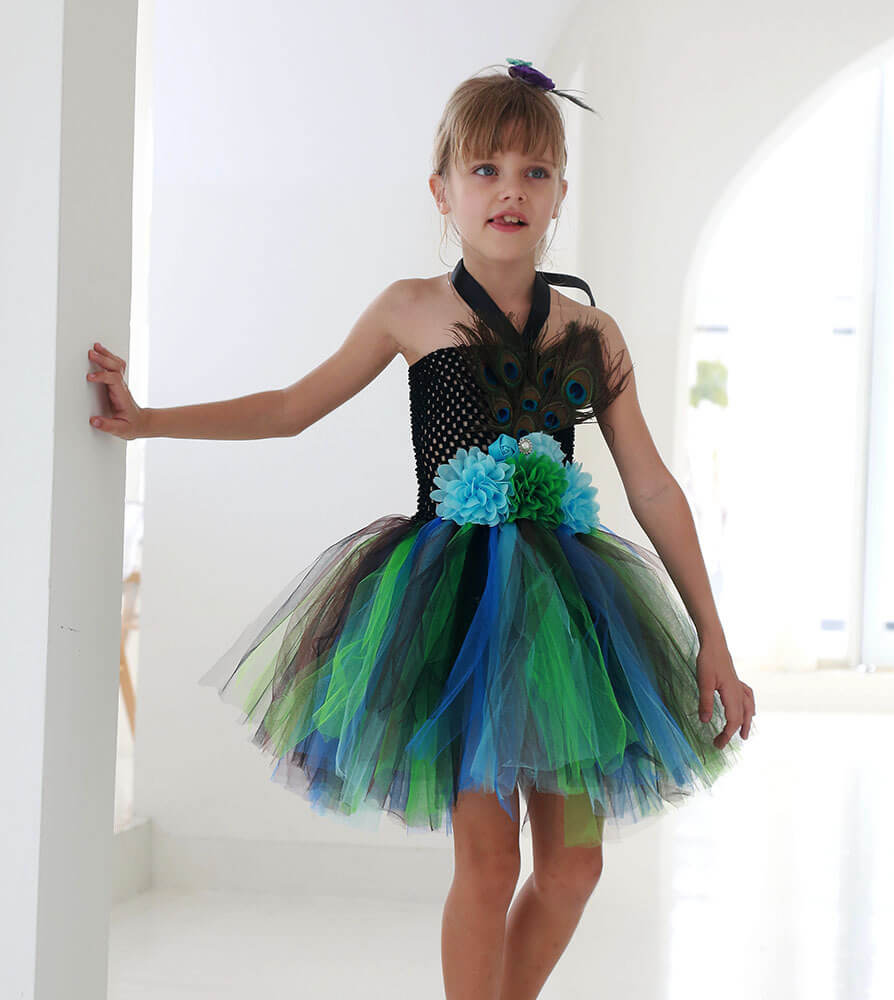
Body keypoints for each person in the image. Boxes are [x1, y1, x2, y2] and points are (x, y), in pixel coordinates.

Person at [87, 57, 756, 1000]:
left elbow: (651, 486)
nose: (509, 191)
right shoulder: (412, 309)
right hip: (456, 610)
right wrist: (149, 417)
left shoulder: (591, 335)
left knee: (572, 868)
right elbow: (289, 406)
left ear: (561, 192)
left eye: (533, 172)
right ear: (441, 190)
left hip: (568, 616)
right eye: (485, 171)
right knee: (487, 866)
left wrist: (712, 641)